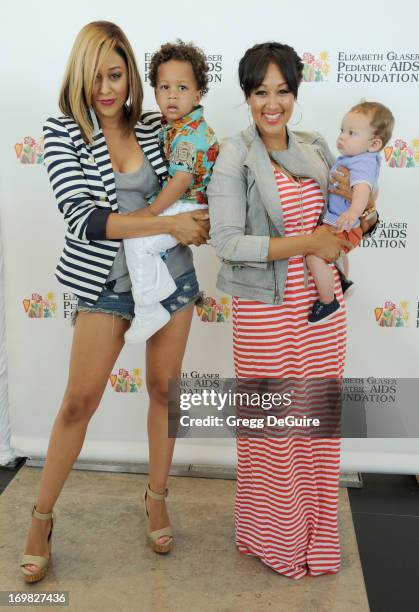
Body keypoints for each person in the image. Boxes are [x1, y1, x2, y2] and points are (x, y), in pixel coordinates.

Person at [20, 21, 209, 583]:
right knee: (78, 402)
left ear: (130, 75)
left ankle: (155, 498)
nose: (106, 88)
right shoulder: (61, 131)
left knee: (162, 392)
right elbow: (86, 218)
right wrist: (168, 223)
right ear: (79, 76)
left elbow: (198, 167)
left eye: (116, 74)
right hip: (104, 283)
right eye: (96, 75)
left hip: (171, 278)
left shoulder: (156, 126)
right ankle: (41, 517)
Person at [207, 42, 378, 579]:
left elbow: (344, 220)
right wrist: (312, 242)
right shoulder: (235, 153)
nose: (272, 103)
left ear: (297, 93)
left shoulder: (318, 146)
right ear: (246, 95)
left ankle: (313, 539)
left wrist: (361, 220)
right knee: (276, 433)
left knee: (317, 428)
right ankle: (275, 540)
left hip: (321, 312)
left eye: (283, 91)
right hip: (266, 312)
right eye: (261, 92)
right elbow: (229, 242)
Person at [123, 41, 218, 344]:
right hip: (184, 203)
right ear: (155, 93)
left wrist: (150, 213)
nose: (172, 95)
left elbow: (179, 181)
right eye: (164, 87)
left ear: (198, 94)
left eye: (182, 87)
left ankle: (150, 305)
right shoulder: (173, 125)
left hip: (187, 205)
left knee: (137, 240)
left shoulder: (188, 134)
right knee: (140, 240)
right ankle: (155, 294)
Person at [306, 101, 394, 324]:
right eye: (342, 130)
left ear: (374, 144)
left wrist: (354, 212)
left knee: (314, 256)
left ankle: (328, 302)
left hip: (344, 224)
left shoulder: (363, 163)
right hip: (341, 223)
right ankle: (343, 281)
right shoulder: (355, 158)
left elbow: (363, 190)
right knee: (339, 253)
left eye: (352, 133)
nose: (342, 137)